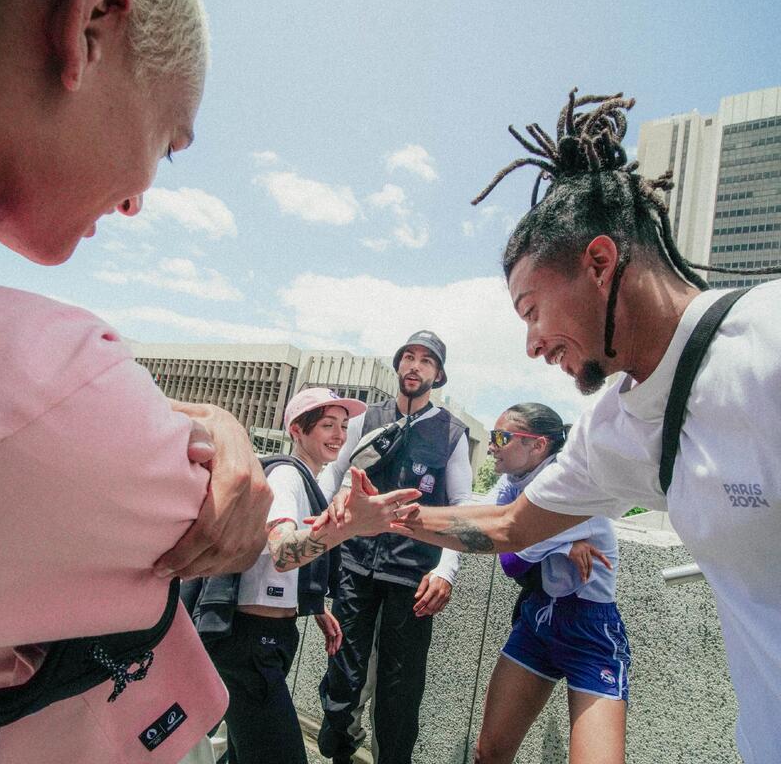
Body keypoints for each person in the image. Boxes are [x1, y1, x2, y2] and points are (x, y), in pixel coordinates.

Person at [388, 89, 781, 764]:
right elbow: (509, 528)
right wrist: (387, 518)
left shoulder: (768, 342)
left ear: (599, 264)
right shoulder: (615, 428)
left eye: (533, 309)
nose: (533, 345)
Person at [0, 0, 272, 761]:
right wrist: (220, 427)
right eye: (169, 144)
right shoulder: (50, 383)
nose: (139, 198)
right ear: (92, 22)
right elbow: (234, 522)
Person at [204, 388, 419, 764]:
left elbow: (274, 565)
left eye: (343, 425)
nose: (338, 434)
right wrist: (350, 526)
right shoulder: (288, 476)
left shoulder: (308, 481)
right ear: (297, 431)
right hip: (252, 644)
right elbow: (283, 552)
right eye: (326, 425)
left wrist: (315, 606)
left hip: (264, 638)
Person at [317, 330, 474, 764]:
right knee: (344, 674)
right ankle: (339, 752)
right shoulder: (367, 419)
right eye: (408, 356)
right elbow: (332, 476)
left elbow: (461, 507)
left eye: (426, 360)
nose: (414, 365)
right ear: (398, 364)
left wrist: (446, 571)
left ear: (437, 374)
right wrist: (316, 532)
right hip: (353, 565)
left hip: (413, 575)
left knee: (400, 688)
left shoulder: (451, 433)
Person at [475, 403, 629, 764]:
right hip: (539, 618)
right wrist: (563, 543)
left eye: (501, 437)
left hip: (590, 630)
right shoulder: (512, 481)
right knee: (489, 753)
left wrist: (557, 539)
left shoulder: (563, 486)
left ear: (537, 445)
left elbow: (511, 561)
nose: (492, 445)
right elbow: (479, 519)